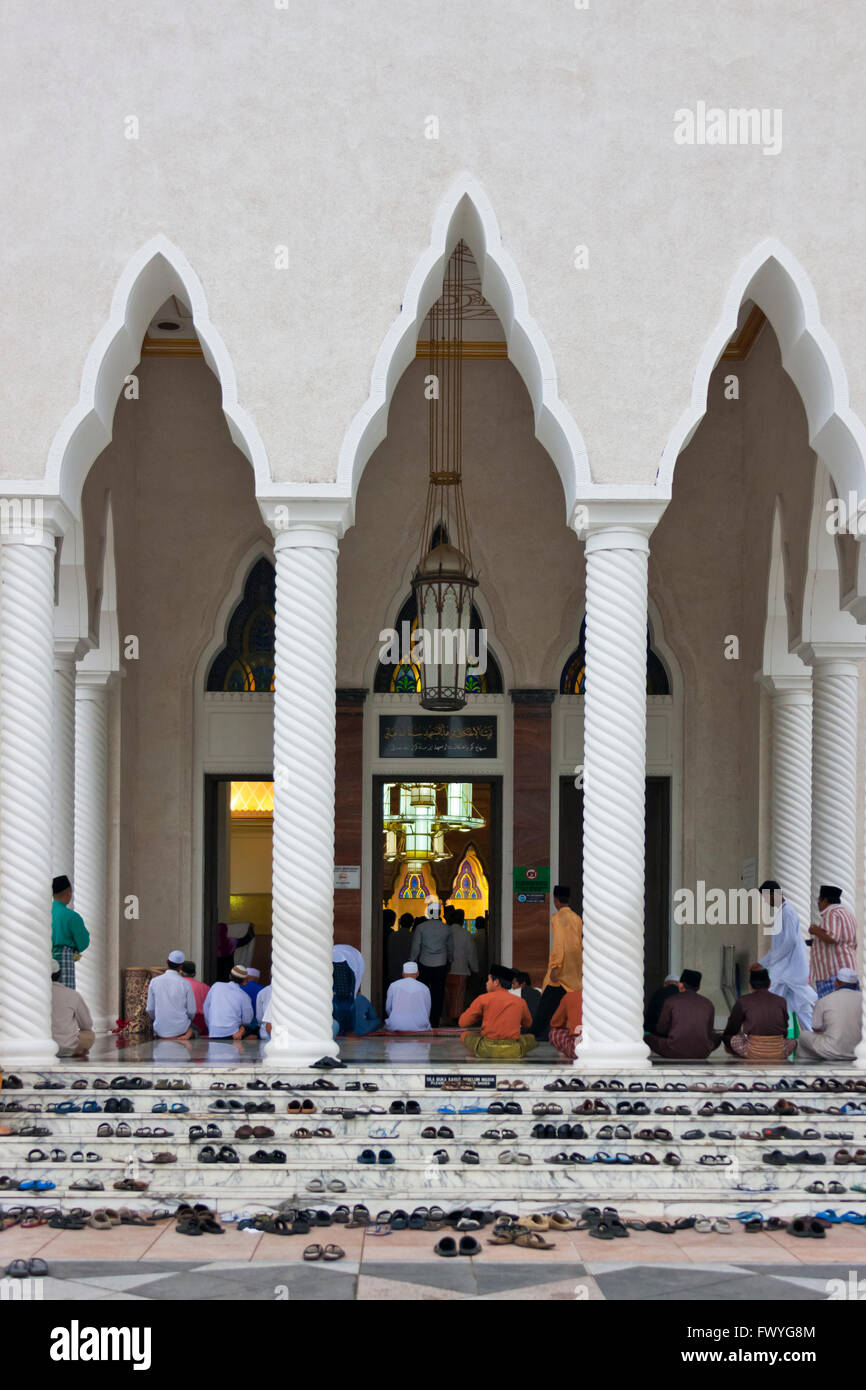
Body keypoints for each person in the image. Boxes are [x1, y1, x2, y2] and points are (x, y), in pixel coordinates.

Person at [758, 879, 817, 1030]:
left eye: (765, 897)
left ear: (772, 895)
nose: (765, 902)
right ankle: (813, 1039)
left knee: (767, 1002)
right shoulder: (783, 912)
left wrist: (763, 962)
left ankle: (762, 1036)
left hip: (789, 971)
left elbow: (788, 942)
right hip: (787, 971)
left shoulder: (788, 912)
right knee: (802, 1008)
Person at [533, 886, 582, 1042]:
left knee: (547, 999)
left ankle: (538, 1031)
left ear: (555, 899)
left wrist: (555, 966)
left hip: (561, 966)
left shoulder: (557, 918)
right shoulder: (576, 918)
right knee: (564, 998)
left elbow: (559, 943)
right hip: (574, 965)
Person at [458, 966, 537, 1059]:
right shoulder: (520, 1001)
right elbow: (528, 1024)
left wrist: (479, 1016)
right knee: (531, 1039)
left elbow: (462, 1023)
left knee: (465, 1035)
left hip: (487, 1049)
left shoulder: (483, 999)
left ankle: (474, 1059)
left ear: (496, 982)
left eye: (488, 980)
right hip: (513, 1049)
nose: (486, 983)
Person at [721, 966, 795, 1059]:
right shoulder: (781, 1001)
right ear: (769, 984)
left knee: (727, 1038)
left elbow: (732, 1028)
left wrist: (727, 1039)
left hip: (753, 1050)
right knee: (793, 1041)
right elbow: (784, 1030)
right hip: (778, 1050)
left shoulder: (743, 1000)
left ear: (750, 986)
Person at [647, 969, 719, 1059]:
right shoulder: (708, 1003)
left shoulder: (671, 1001)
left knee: (647, 1037)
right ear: (699, 987)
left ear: (680, 985)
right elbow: (709, 1032)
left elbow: (661, 1030)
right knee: (718, 1037)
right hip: (702, 1052)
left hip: (673, 1050)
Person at [797, 967, 863, 1061]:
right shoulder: (863, 999)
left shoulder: (825, 1000)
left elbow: (816, 1027)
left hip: (832, 1050)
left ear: (836, 983)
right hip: (859, 1051)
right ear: (856, 986)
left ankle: (809, 1068)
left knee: (804, 1036)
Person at [410, 897, 453, 1027]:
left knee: (423, 992)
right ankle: (434, 1022)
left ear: (429, 912)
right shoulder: (446, 928)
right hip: (441, 964)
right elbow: (451, 948)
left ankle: (423, 1018)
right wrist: (450, 961)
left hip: (424, 963)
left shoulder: (421, 928)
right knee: (438, 993)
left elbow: (416, 947)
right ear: (439, 913)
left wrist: (411, 961)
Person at [809, 885, 858, 999]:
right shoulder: (847, 914)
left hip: (834, 975)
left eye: (819, 900)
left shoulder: (831, 913)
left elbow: (832, 937)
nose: (818, 903)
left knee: (831, 1013)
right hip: (848, 973)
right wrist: (815, 942)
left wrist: (815, 930)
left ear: (825, 900)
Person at [146, 950, 197, 1041]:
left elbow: (150, 1009)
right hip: (181, 1029)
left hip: (160, 1029)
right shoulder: (185, 983)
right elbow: (191, 1011)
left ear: (167, 962)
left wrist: (159, 1019)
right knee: (196, 1030)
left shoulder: (154, 981)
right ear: (181, 966)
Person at [51, 875, 90, 989]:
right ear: (69, 892)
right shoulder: (72, 916)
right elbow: (83, 942)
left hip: (46, 959)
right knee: (65, 996)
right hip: (65, 960)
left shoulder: (45, 913)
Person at [51, 960, 94, 1057]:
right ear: (59, 974)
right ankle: (79, 1050)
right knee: (89, 1034)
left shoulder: (34, 995)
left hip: (39, 1048)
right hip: (66, 1047)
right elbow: (87, 1025)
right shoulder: (72, 994)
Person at [443, 908, 478, 1022]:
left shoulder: (445, 931)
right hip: (461, 971)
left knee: (446, 997)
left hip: (445, 971)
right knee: (458, 998)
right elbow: (471, 953)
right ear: (462, 920)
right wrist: (474, 969)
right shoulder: (466, 934)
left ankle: (446, 1018)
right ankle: (455, 1019)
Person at [203, 964, 254, 1040]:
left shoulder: (216, 986)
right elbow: (247, 1020)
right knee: (251, 1029)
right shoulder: (244, 996)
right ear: (244, 981)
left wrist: (211, 1025)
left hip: (214, 1032)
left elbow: (206, 1007)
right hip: (233, 1033)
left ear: (230, 976)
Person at [385, 961, 432, 1031]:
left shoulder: (393, 986)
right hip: (419, 1025)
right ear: (417, 974)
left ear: (403, 974)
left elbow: (388, 1008)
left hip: (396, 1025)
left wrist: (396, 1018)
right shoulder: (424, 988)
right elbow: (427, 1010)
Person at [548, 987, 583, 1061]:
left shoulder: (570, 996)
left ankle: (564, 1055)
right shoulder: (609, 996)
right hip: (607, 1047)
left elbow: (555, 1023)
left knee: (554, 1033)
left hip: (578, 1048)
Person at [180, 960, 210, 1036]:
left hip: (183, 1021)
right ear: (194, 973)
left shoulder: (178, 986)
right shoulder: (205, 987)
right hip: (202, 1022)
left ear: (181, 972)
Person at [387, 912, 416, 983]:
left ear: (400, 922)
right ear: (412, 924)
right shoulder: (413, 937)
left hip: (393, 970)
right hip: (408, 971)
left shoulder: (392, 935)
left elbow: (388, 952)